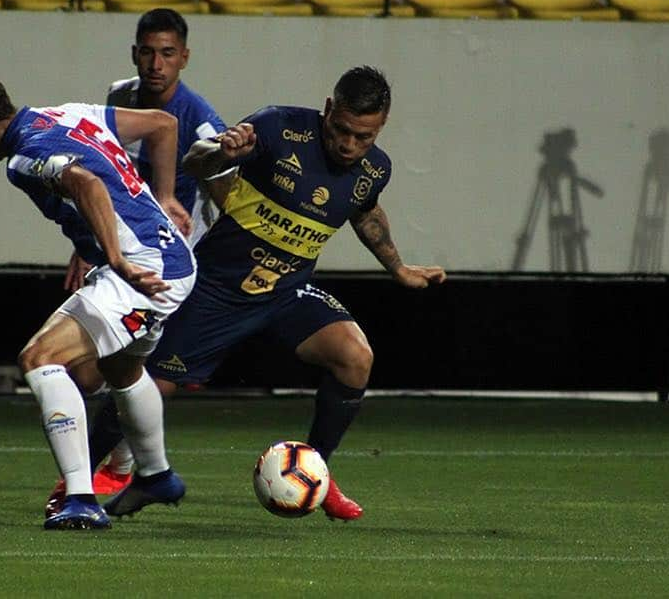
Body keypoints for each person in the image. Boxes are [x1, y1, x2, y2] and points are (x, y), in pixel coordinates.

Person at [64, 66, 447, 522]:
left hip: (286, 293)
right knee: (144, 386)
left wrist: (398, 268)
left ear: (380, 128)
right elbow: (197, 161)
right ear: (327, 110)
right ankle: (76, 487)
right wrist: (222, 149)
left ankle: (316, 470)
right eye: (341, 130)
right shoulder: (277, 127)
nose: (349, 144)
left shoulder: (374, 169)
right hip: (215, 290)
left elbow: (363, 212)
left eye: (363, 136)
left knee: (355, 356)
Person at [0, 67, 197, 529]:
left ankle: (81, 498)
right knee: (121, 367)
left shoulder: (23, 158)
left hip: (142, 272)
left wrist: (115, 259)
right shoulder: (67, 115)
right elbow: (162, 124)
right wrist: (167, 198)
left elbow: (88, 184)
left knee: (39, 358)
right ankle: (156, 475)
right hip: (172, 258)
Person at [60, 8, 230, 498]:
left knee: (121, 364)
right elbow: (102, 172)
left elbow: (227, 195)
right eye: (148, 52)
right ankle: (120, 463)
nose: (157, 63)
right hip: (122, 251)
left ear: (185, 58)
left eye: (168, 53)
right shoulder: (118, 96)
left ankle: (117, 468)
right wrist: (87, 243)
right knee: (93, 368)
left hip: (170, 266)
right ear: (135, 53)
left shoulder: (199, 121)